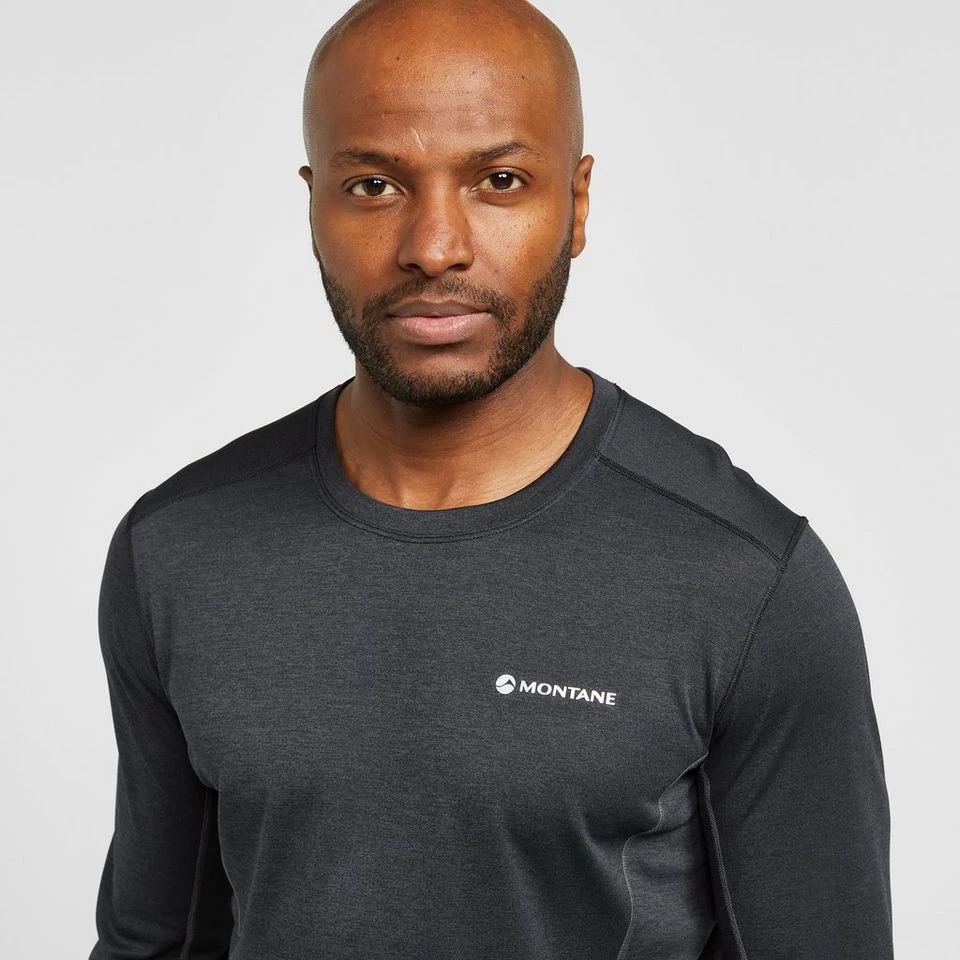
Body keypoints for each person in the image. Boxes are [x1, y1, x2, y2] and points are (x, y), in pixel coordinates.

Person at [87, 0, 893, 957]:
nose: (435, 247)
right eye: (374, 185)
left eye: (499, 181)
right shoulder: (178, 550)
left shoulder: (747, 580)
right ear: (313, 205)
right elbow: (153, 941)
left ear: (577, 204)